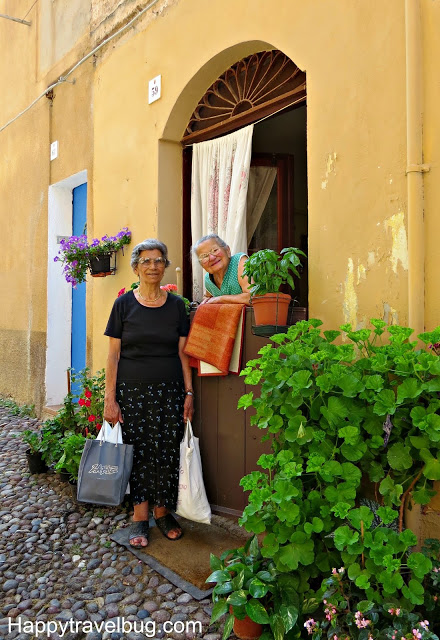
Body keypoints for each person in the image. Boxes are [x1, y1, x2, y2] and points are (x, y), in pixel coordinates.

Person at [103, 239, 194, 548]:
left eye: (158, 261)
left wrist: (189, 393)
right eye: (146, 261)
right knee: (139, 451)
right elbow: (113, 355)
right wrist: (109, 398)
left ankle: (163, 512)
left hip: (170, 390)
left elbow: (183, 354)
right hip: (133, 391)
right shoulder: (123, 305)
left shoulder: (177, 306)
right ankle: (140, 517)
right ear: (136, 268)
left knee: (167, 450)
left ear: (165, 265)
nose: (153, 266)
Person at [193, 234, 251, 305]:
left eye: (215, 250)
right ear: (201, 264)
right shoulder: (208, 279)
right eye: (204, 256)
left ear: (227, 251)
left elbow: (251, 297)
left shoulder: (239, 262)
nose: (212, 258)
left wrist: (219, 299)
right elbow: (207, 297)